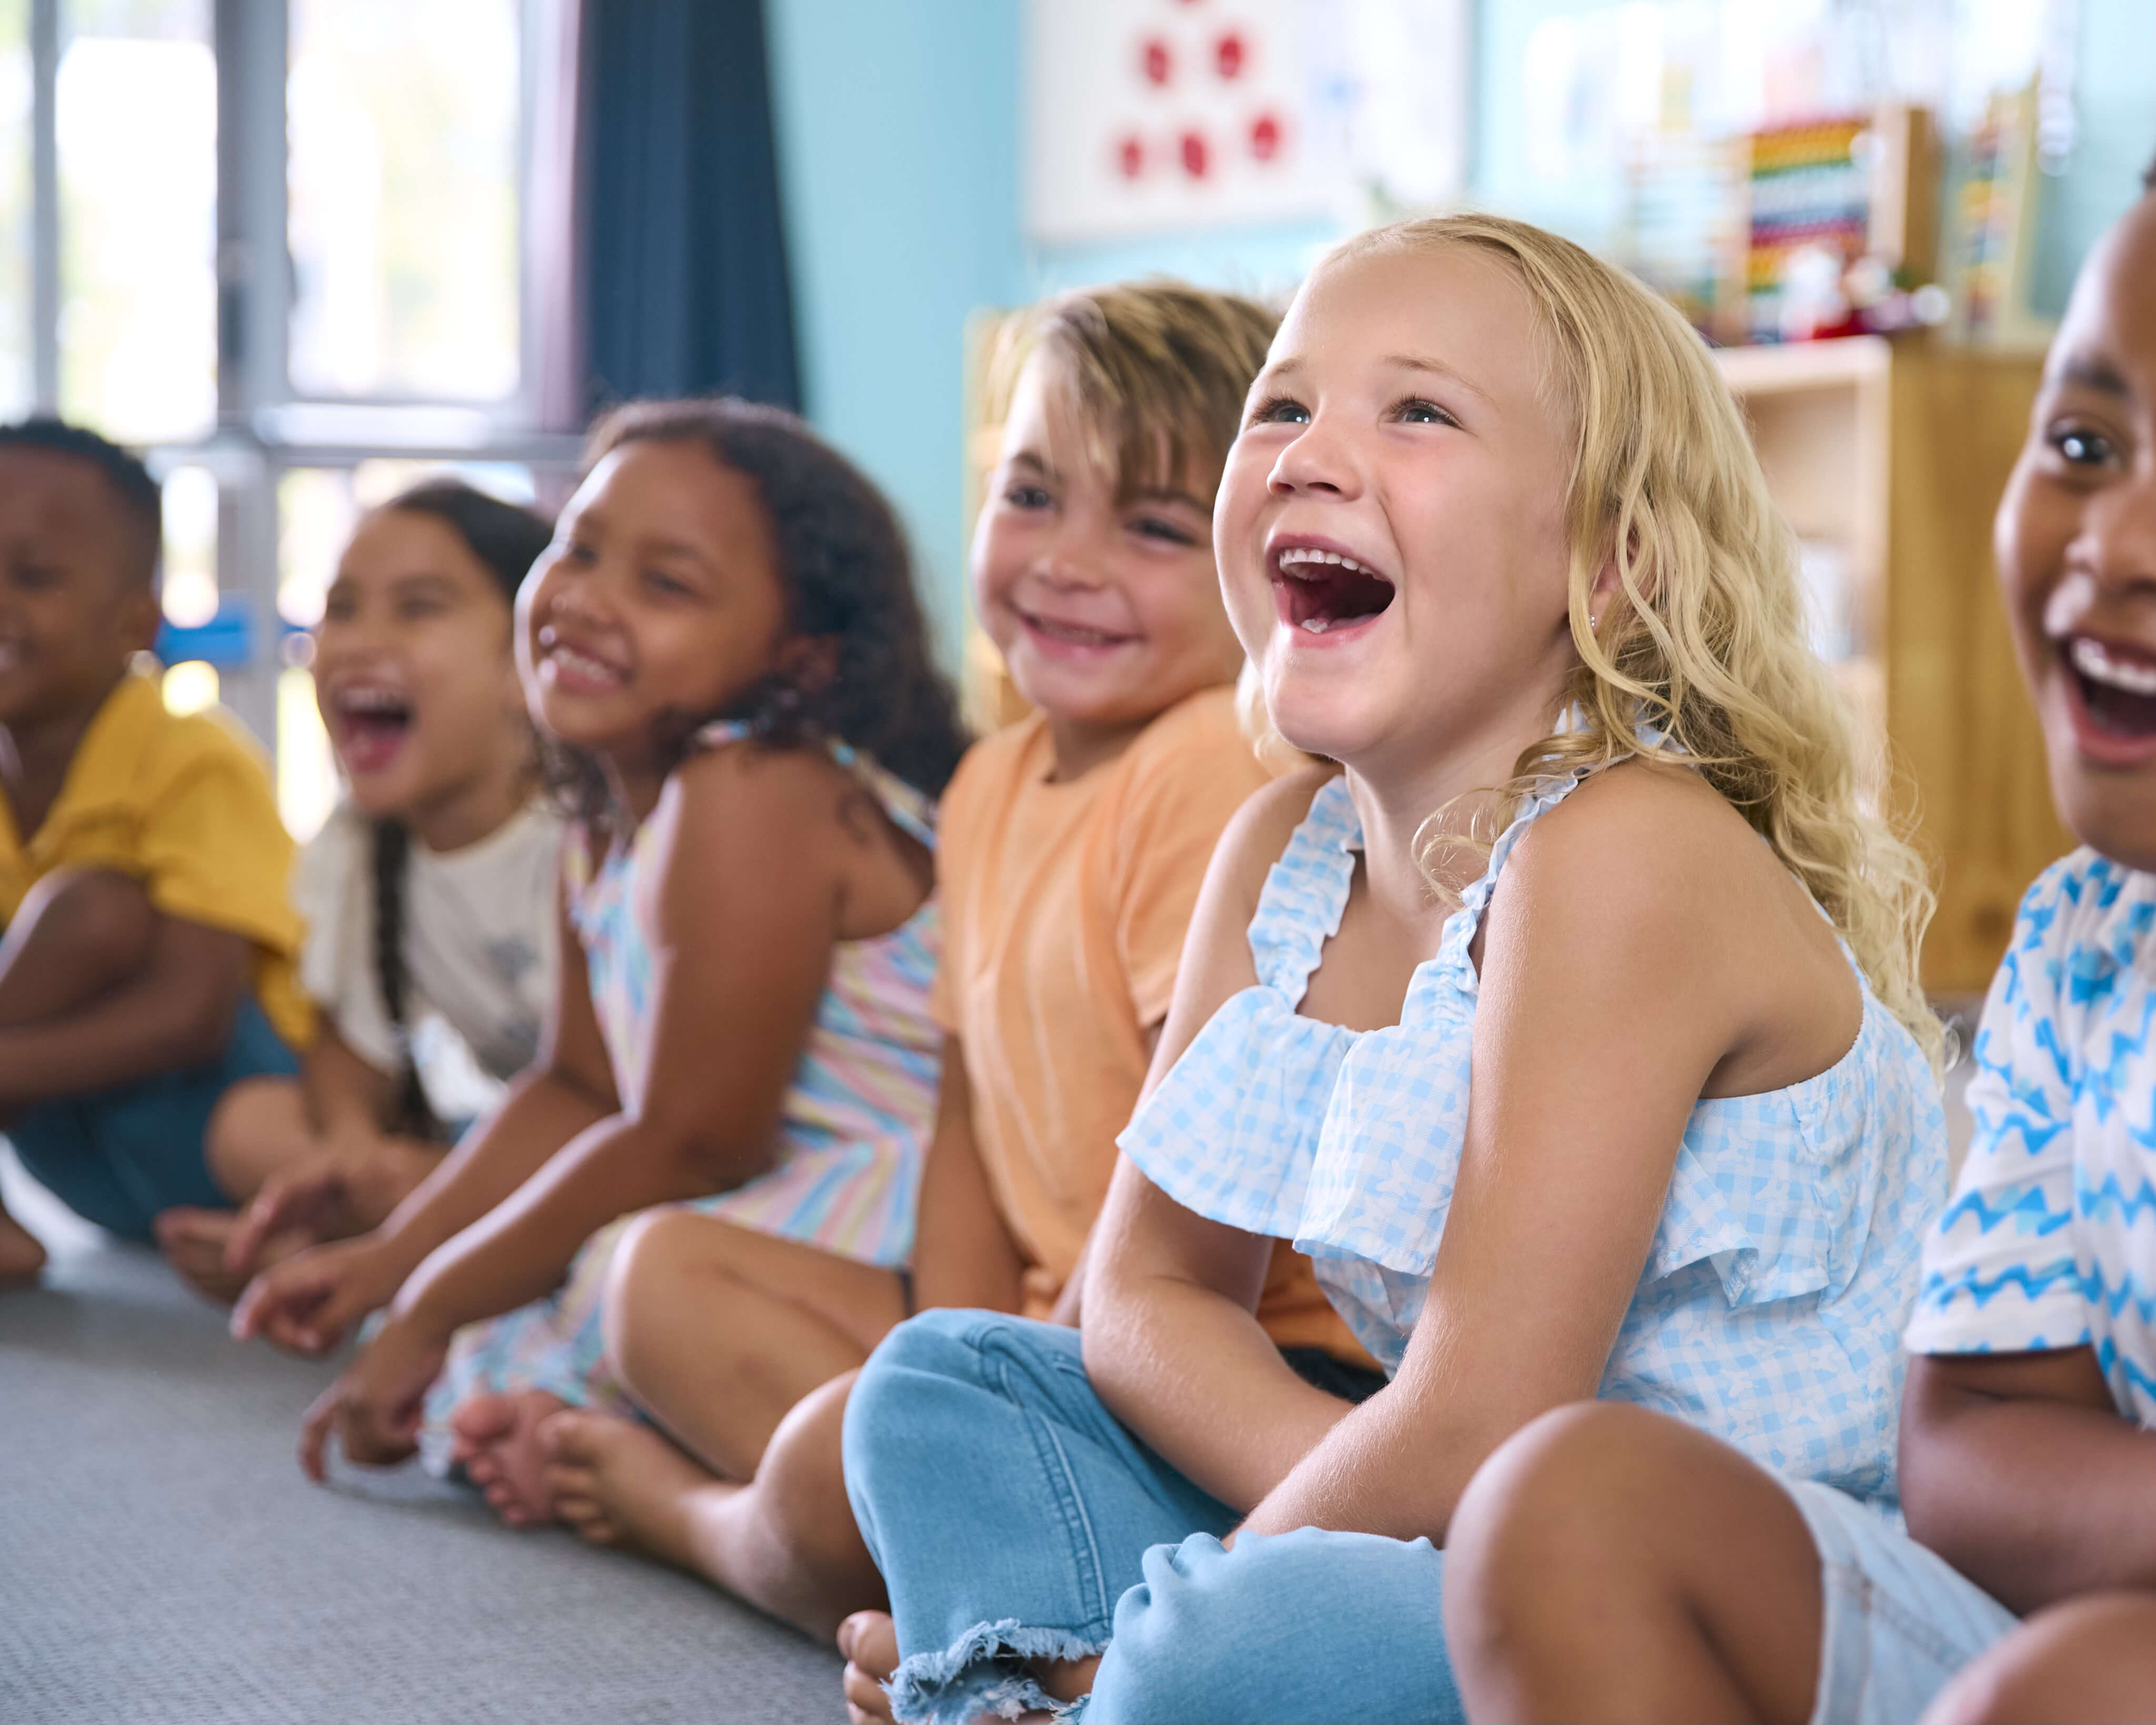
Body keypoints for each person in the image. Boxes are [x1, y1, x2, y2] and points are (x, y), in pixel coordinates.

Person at [838, 212, 1949, 1725]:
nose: (1307, 451)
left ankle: (1063, 1683)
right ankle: (1104, 1680)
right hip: (1451, 1487)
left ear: (1607, 563)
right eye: (1282, 405)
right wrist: (1270, 1552)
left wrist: (1207, 1606)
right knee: (940, 1387)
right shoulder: (1281, 854)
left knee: (1235, 1646)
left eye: (1417, 409)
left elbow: (1493, 1406)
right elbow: (1144, 1290)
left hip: (1721, 1588)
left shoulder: (1625, 849)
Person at [534, 282, 1371, 1643]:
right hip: (1060, 1326)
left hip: (1234, 1367)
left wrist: (972, 1399)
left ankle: (713, 1527)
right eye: (1031, 494)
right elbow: (970, 1112)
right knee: (654, 1276)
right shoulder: (987, 780)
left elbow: (1202, 1178)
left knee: (826, 1459)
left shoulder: (1213, 772)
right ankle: (972, 1549)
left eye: (1152, 526)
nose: (1066, 560)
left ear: (1260, 552)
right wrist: (963, 1363)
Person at [1440, 161, 2156, 1725]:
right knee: (1562, 1513)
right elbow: (1965, 1441)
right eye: (2089, 445)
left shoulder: (1625, 860)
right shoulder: (2083, 942)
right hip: (2076, 1608)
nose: (2120, 543)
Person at [232, 399, 967, 1532]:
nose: (583, 595)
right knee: (532, 1318)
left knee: (617, 1282)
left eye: (664, 584)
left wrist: (427, 1306)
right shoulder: (597, 809)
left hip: (906, 1229)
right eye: (577, 546)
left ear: (800, 655)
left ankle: (721, 1516)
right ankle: (703, 1474)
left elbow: (686, 1136)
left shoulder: (754, 789)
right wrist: (391, 1260)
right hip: (774, 1211)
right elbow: (576, 1091)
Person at [154, 481, 561, 1302]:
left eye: (418, 607)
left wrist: (427, 1189)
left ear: (529, 657)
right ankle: (407, 1237)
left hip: (622, 1145)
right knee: (249, 1128)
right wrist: (350, 1147)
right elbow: (349, 1043)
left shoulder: (582, 837)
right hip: (503, 1144)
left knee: (532, 1205)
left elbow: (646, 1113)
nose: (357, 640)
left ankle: (400, 1249)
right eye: (341, 607)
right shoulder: (362, 840)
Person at [0, 418, 313, 1287]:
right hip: (85, 1160)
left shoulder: (192, 759)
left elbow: (192, 1013)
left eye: (32, 577)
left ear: (135, 620)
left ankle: (300, 1231)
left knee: (94, 906)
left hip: (229, 1117)